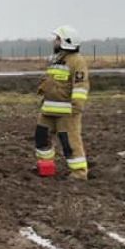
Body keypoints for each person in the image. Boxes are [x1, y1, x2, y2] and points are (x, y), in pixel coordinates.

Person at [34, 26, 90, 180]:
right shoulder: (56, 59)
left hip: (67, 112)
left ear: (66, 42)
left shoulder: (77, 61)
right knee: (42, 138)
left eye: (58, 39)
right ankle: (46, 168)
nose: (55, 41)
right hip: (48, 110)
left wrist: (76, 107)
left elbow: (81, 85)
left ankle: (79, 173)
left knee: (70, 142)